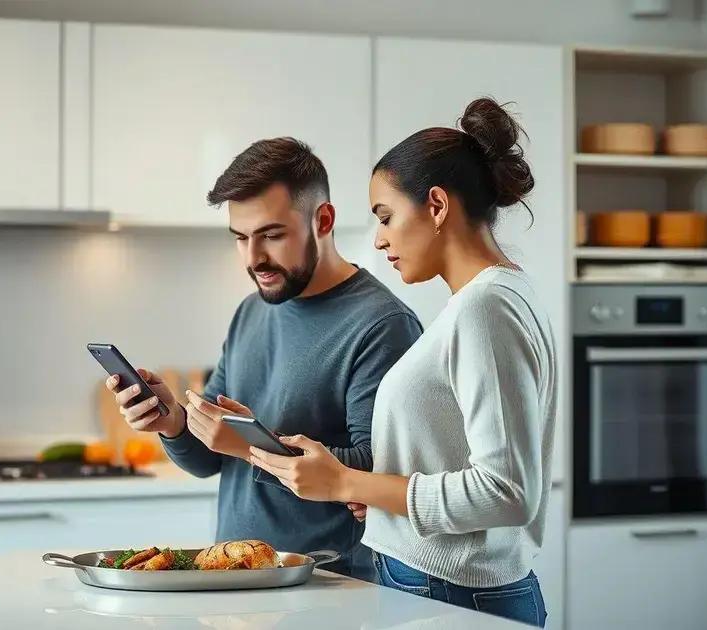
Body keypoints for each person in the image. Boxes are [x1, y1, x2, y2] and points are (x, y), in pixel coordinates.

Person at [247, 98, 558, 627]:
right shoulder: (488, 300)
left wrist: (346, 483)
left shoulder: (486, 307)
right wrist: (388, 502)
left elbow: (507, 492)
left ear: (436, 206)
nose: (379, 238)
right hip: (439, 580)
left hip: (453, 591)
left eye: (386, 216)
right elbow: (457, 461)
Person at [106, 137, 422, 578]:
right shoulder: (252, 310)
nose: (254, 259)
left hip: (327, 585)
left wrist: (251, 445)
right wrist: (174, 422)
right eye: (241, 238)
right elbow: (210, 458)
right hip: (232, 581)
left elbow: (378, 474)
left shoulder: (382, 324)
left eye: (271, 236)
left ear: (323, 220)